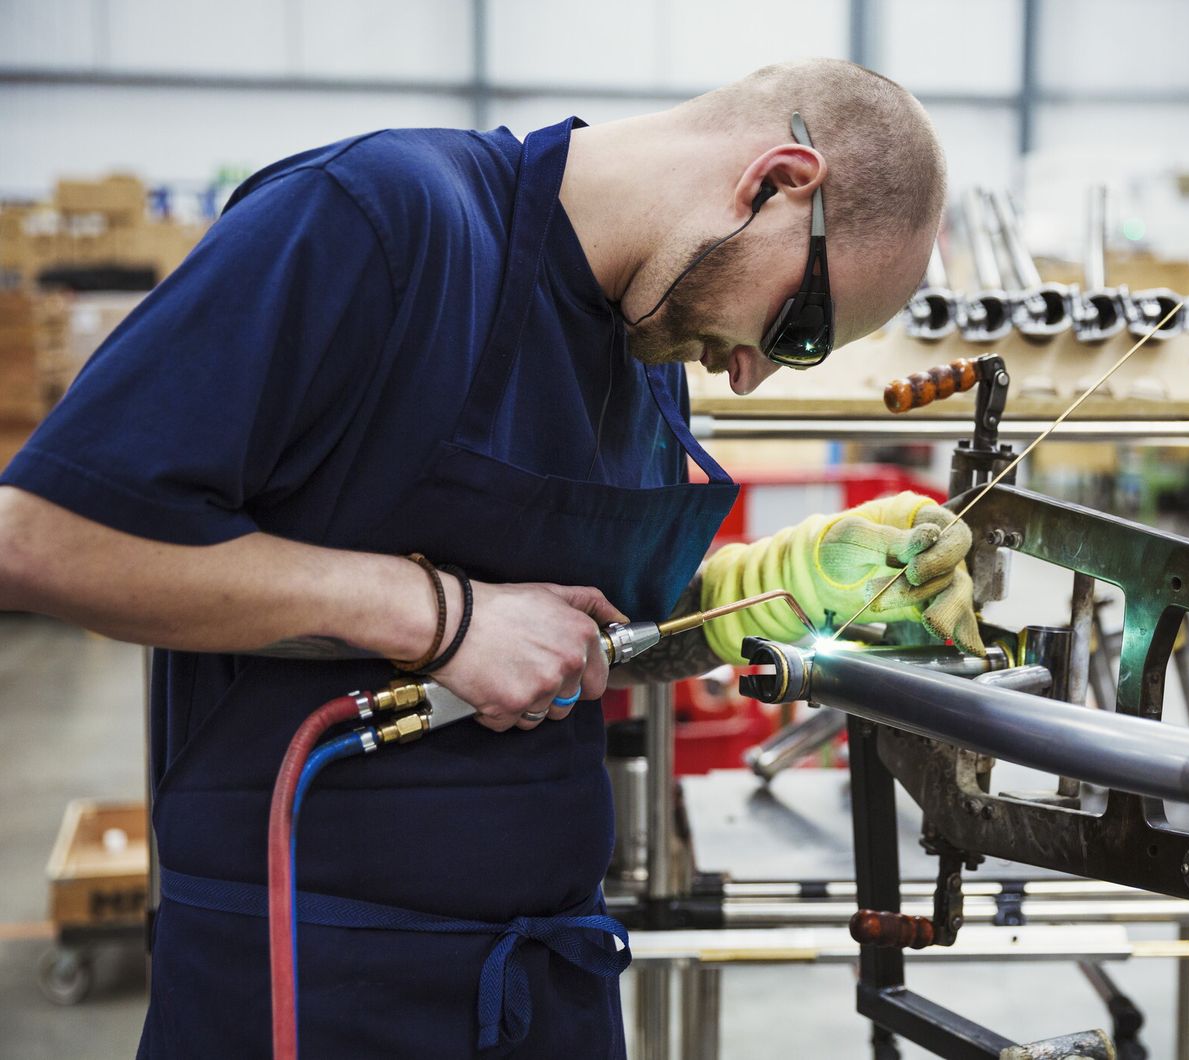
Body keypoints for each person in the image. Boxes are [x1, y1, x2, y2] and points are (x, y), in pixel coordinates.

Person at [0, 59, 971, 1056]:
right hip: (314, 982)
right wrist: (436, 616)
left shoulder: (643, 346)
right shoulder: (378, 225)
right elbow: (40, 537)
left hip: (546, 983)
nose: (752, 373)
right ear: (776, 181)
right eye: (797, 326)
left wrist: (765, 589)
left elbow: (590, 641)